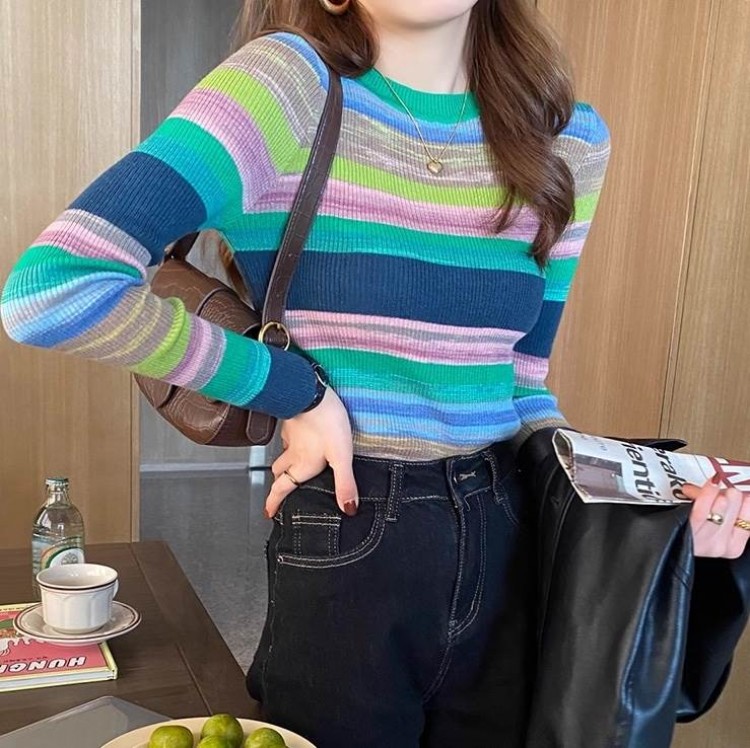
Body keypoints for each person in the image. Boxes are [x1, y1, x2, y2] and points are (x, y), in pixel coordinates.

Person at [2, 0, 748, 745]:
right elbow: (52, 289)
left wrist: (649, 510)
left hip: (507, 527)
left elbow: (523, 383)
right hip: (352, 529)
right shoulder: (285, 85)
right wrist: (294, 390)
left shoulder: (568, 137)